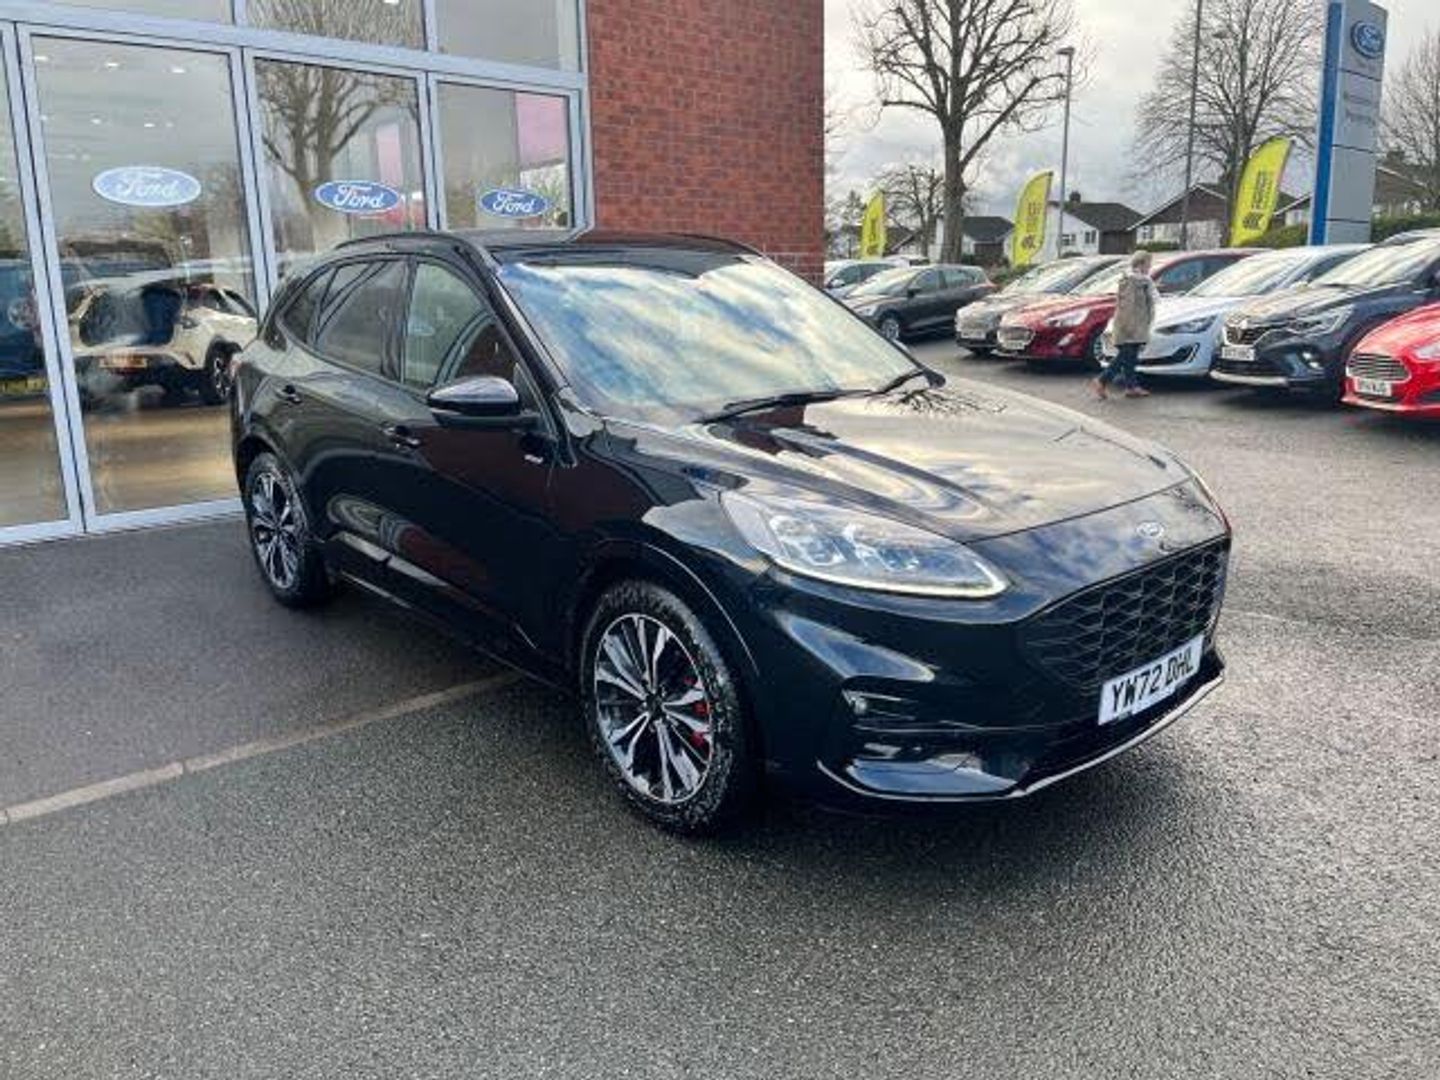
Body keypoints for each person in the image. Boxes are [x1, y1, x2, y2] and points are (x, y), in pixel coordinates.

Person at [1093, 249, 1159, 400]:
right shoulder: (1131, 281)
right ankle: (1102, 380)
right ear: (1141, 264)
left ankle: (1131, 387)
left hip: (1137, 325)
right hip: (1129, 325)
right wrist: (1130, 328)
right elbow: (1127, 307)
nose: (1150, 267)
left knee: (1131, 356)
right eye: (1148, 263)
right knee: (1125, 355)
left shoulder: (1143, 281)